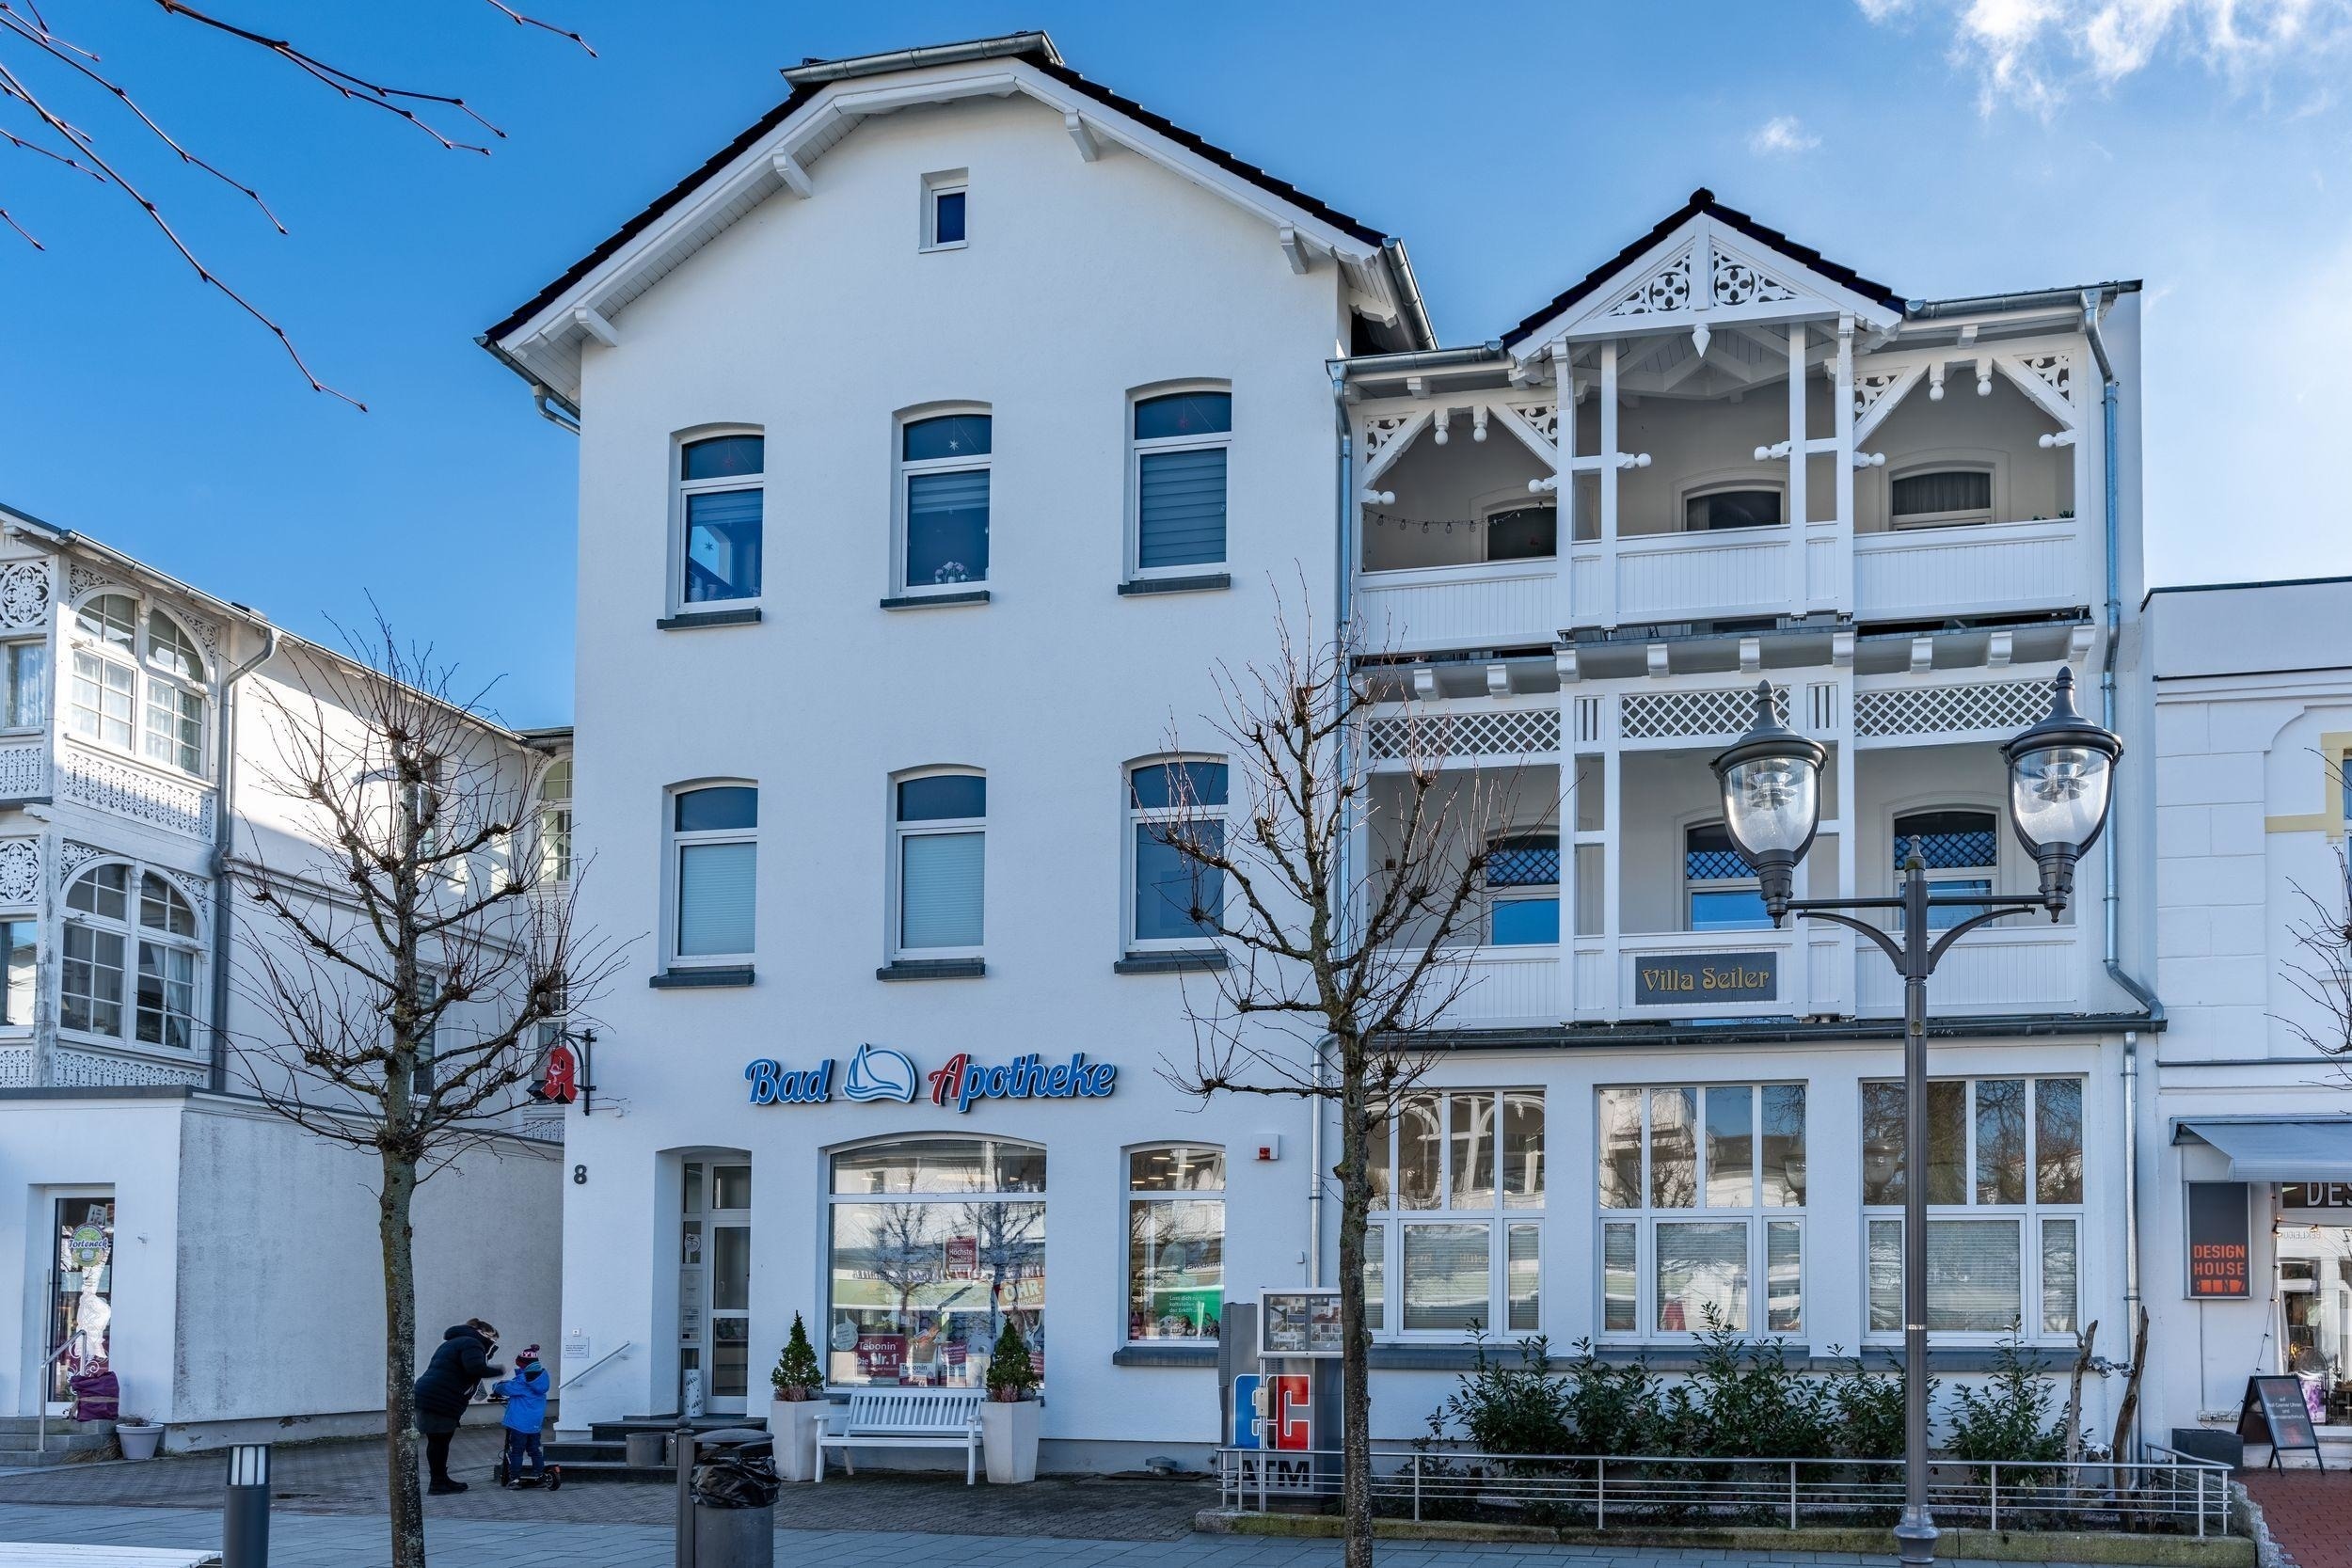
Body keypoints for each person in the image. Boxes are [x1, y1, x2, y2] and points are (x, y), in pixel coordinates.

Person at [414, 1318, 501, 1495]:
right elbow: (475, 1368)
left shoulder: (454, 1342)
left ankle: (440, 1480)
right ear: (481, 1332)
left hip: (429, 1395)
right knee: (439, 1441)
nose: (492, 1342)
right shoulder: (472, 1342)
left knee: (438, 1440)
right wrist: (499, 1370)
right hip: (440, 1398)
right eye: (491, 1337)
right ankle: (438, 1483)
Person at [491, 1344, 550, 1486]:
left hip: (519, 1423)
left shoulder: (523, 1381)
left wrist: (496, 1385)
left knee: (516, 1451)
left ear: (522, 1364)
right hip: (535, 1423)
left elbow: (505, 1388)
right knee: (534, 1450)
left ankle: (515, 1479)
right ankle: (540, 1475)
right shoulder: (541, 1378)